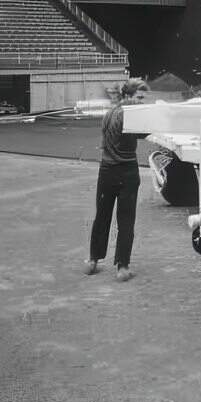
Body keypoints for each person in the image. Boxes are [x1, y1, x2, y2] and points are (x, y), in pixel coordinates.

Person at [87, 78, 150, 281]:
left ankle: (93, 260)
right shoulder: (129, 116)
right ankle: (122, 266)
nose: (142, 102)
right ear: (128, 97)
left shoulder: (109, 113)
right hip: (126, 171)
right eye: (139, 98)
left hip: (106, 170)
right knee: (126, 220)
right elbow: (146, 132)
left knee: (102, 217)